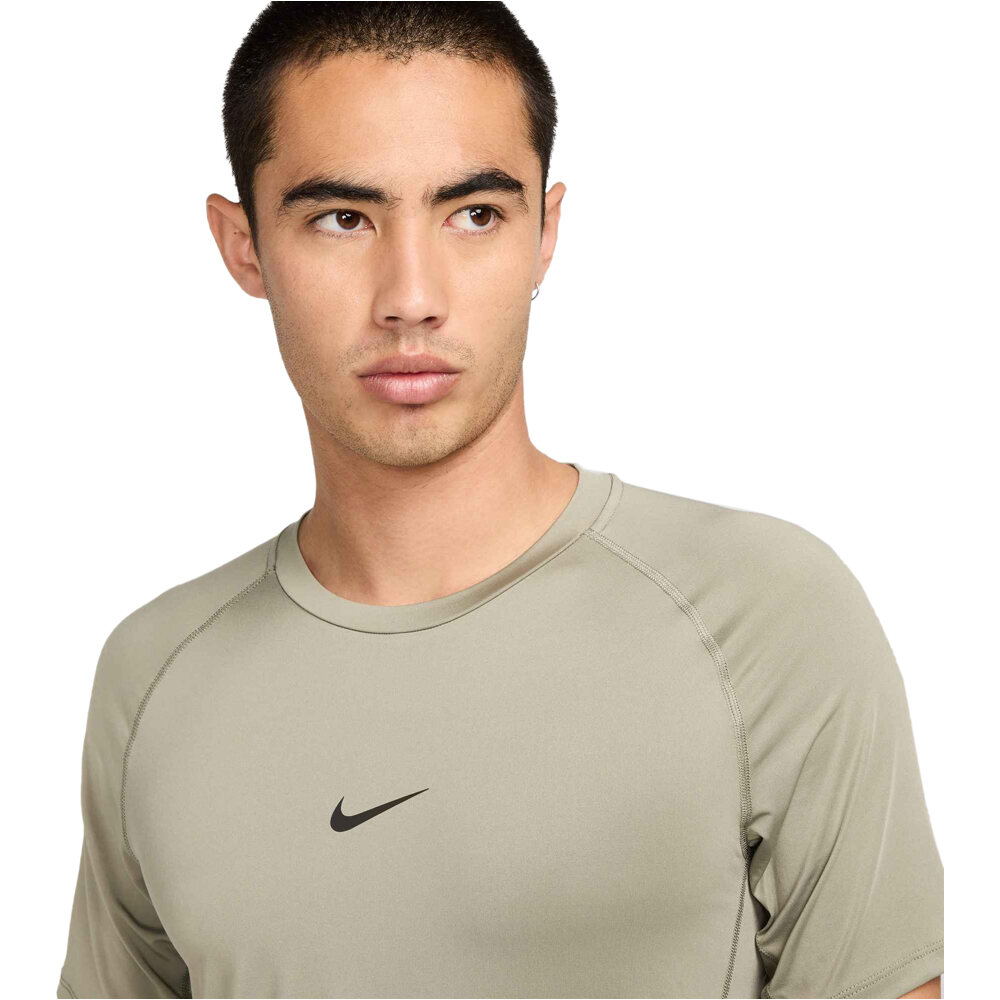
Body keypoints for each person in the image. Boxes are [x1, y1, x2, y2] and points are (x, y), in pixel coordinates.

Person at [55, 4, 943, 998]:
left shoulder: (763, 615)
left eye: (474, 213)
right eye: (343, 218)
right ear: (243, 245)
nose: (411, 295)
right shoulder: (155, 678)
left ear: (545, 233)